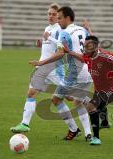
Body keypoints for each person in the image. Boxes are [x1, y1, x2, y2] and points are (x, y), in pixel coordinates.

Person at [29, 6, 93, 141]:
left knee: (56, 99)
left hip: (74, 73)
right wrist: (89, 29)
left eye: (59, 18)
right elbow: (92, 47)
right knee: (77, 101)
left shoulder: (65, 33)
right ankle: (88, 134)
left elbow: (59, 54)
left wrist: (42, 62)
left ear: (67, 18)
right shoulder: (82, 30)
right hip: (87, 72)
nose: (58, 21)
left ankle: (74, 130)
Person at [10, 3, 69, 133]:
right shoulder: (47, 28)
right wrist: (41, 43)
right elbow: (49, 46)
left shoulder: (60, 29)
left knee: (72, 96)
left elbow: (63, 47)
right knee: (31, 92)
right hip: (42, 67)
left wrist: (49, 38)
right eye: (49, 14)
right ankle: (25, 124)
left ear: (58, 15)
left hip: (54, 69)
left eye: (54, 14)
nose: (51, 16)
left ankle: (96, 110)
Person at [66, 35, 113, 145]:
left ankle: (96, 138)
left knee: (92, 107)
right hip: (98, 90)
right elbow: (82, 57)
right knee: (97, 106)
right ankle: (105, 122)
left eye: (88, 46)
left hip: (111, 90)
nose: (85, 49)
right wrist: (69, 51)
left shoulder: (106, 57)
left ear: (95, 47)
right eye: (84, 46)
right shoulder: (87, 56)